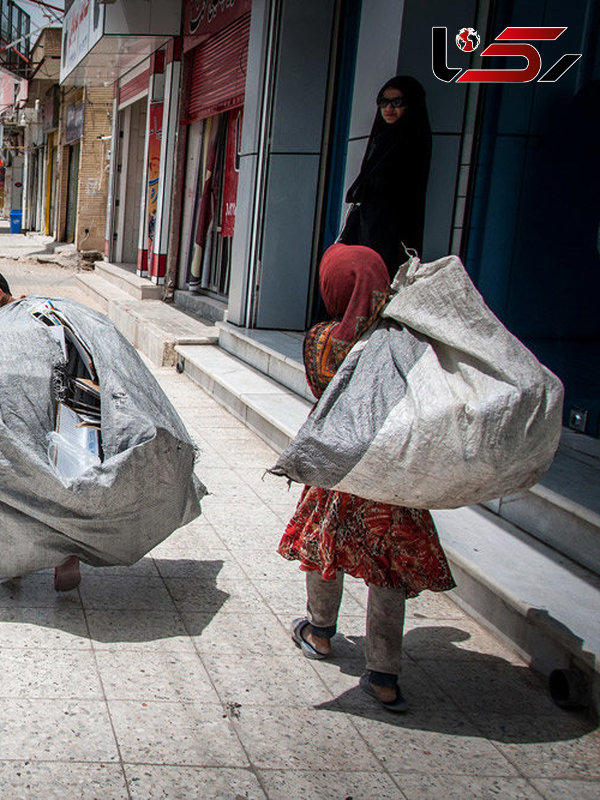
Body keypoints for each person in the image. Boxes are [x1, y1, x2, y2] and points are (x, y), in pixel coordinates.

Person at [280, 243, 455, 713]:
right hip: (391, 478)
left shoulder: (321, 340)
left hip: (340, 472)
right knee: (388, 570)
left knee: (324, 550)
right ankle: (383, 676)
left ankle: (318, 631)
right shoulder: (405, 343)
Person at [0, 263, 81, 589]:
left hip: (44, 420)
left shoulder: (37, 316)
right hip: (10, 424)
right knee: (22, 490)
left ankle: (63, 557)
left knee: (47, 487)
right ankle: (23, 556)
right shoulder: (13, 323)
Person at [340, 76, 432, 277]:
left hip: (394, 235)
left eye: (397, 102)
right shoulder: (381, 139)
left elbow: (406, 194)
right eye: (383, 102)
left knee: (380, 283)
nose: (388, 109)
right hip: (369, 229)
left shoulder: (412, 141)